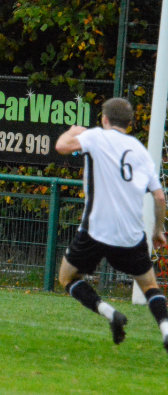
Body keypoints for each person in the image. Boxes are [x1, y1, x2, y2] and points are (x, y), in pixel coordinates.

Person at [55, 97, 168, 352]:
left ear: (104, 119)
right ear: (130, 123)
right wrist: (157, 230)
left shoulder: (96, 137)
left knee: (67, 278)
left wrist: (73, 131)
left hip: (95, 231)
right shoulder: (140, 150)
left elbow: (62, 146)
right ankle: (165, 329)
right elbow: (159, 197)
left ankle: (110, 313)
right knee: (150, 286)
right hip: (130, 235)